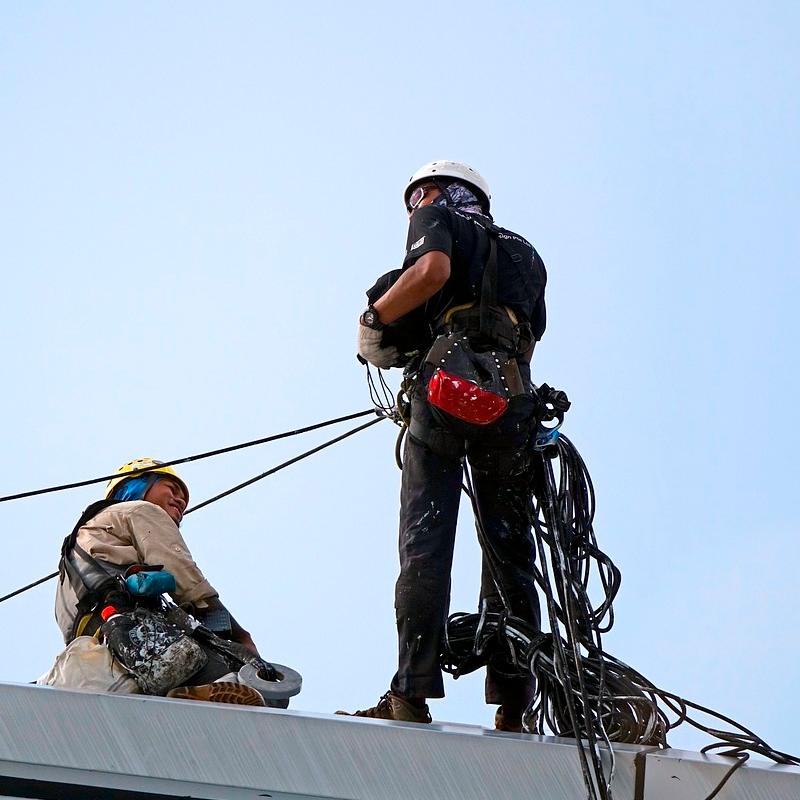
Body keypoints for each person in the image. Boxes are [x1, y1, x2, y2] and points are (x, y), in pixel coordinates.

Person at [345, 160, 547, 731]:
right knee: (511, 551)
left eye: (418, 197)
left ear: (439, 193)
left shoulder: (436, 217)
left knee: (426, 541)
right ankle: (515, 703)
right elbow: (529, 342)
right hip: (511, 401)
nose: (415, 208)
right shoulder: (526, 255)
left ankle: (411, 693)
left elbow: (431, 271)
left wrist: (374, 315)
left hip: (445, 391)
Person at [55, 458, 266, 705]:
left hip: (107, 652)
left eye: (184, 498)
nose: (181, 500)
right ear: (138, 486)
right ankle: (208, 692)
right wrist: (240, 637)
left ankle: (185, 695)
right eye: (171, 488)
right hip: (140, 633)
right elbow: (185, 579)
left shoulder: (74, 554)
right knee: (250, 681)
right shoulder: (140, 510)